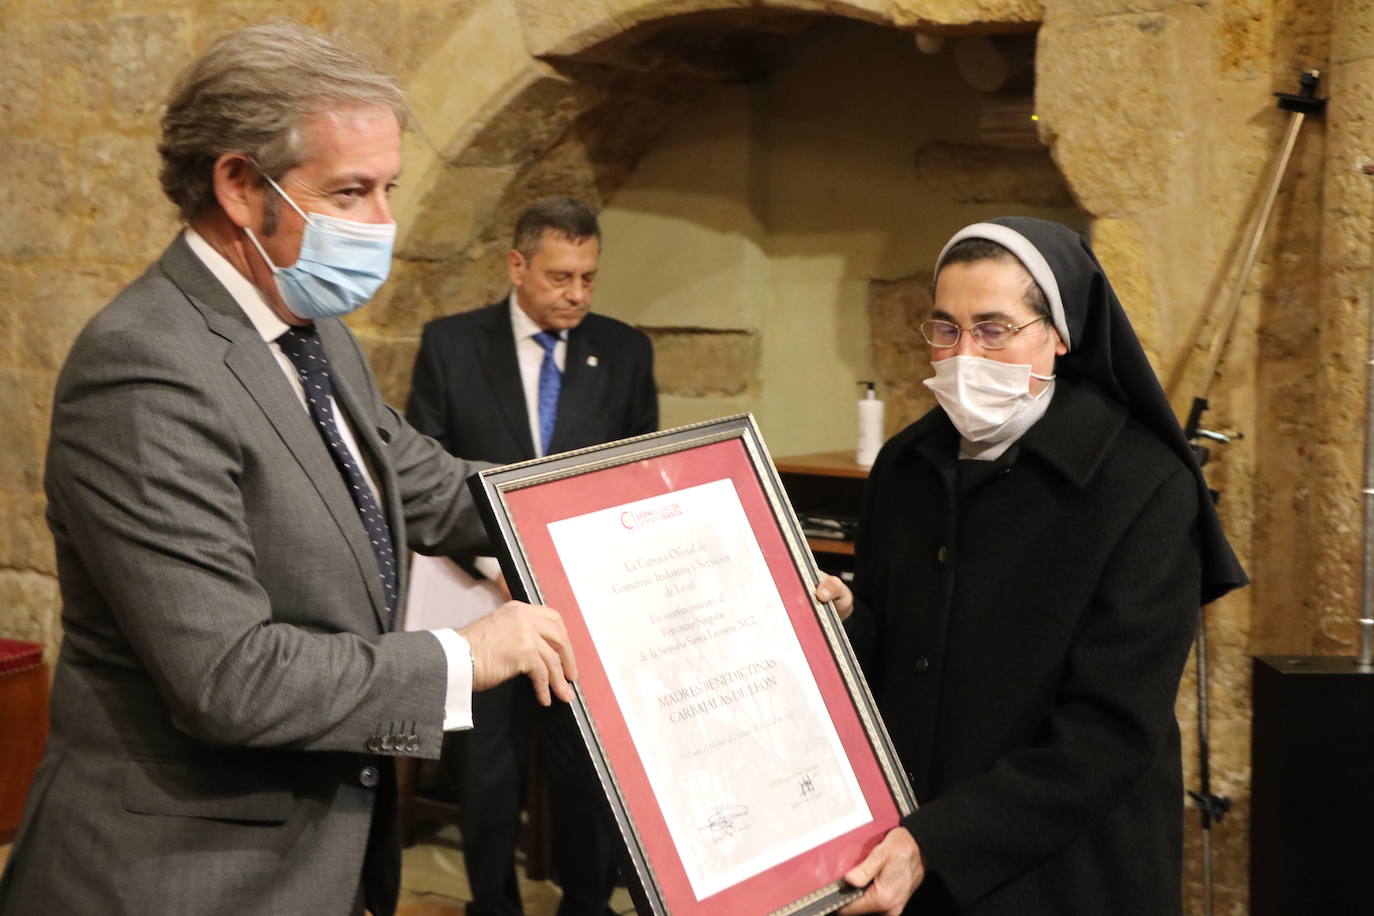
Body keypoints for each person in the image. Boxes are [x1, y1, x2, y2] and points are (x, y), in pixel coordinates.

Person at [0, 22, 578, 916]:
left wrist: (682, 535)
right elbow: (230, 678)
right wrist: (465, 657)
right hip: (182, 875)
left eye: (387, 189)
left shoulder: (311, 333)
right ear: (237, 184)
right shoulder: (143, 367)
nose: (382, 224)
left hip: (323, 858)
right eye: (350, 192)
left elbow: (425, 482)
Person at [817, 217, 1247, 915]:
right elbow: (904, 654)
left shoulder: (1143, 485)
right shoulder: (907, 463)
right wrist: (844, 622)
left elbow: (1111, 731)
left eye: (993, 328)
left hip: (1063, 872)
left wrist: (940, 842)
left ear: (1059, 334)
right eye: (946, 328)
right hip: (909, 854)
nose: (965, 355)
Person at [406, 195, 657, 916]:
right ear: (517, 266)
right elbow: (422, 473)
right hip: (482, 597)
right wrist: (497, 567)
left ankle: (586, 901)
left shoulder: (626, 350)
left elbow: (635, 473)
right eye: (559, 277)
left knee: (589, 768)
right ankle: (493, 905)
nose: (576, 294)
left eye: (588, 277)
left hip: (586, 600)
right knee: (490, 773)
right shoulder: (451, 346)